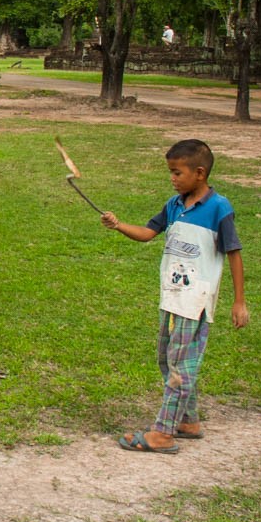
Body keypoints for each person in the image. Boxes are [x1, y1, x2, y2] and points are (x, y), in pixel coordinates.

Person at [100, 139, 248, 454]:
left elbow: (234, 254)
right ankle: (188, 421)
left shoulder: (219, 208)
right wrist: (118, 225)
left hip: (194, 301)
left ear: (200, 172)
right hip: (172, 296)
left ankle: (163, 433)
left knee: (180, 366)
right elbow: (147, 233)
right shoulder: (174, 205)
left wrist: (239, 301)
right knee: (167, 359)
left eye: (177, 172)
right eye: (171, 172)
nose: (172, 178)